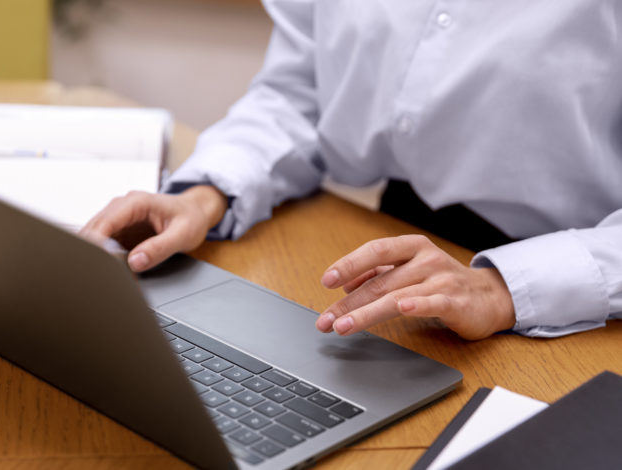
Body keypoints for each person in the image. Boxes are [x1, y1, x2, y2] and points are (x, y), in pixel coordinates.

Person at [81, 1, 622, 341]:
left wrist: (504, 289)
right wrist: (203, 194)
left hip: (580, 291)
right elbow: (302, 94)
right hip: (397, 249)